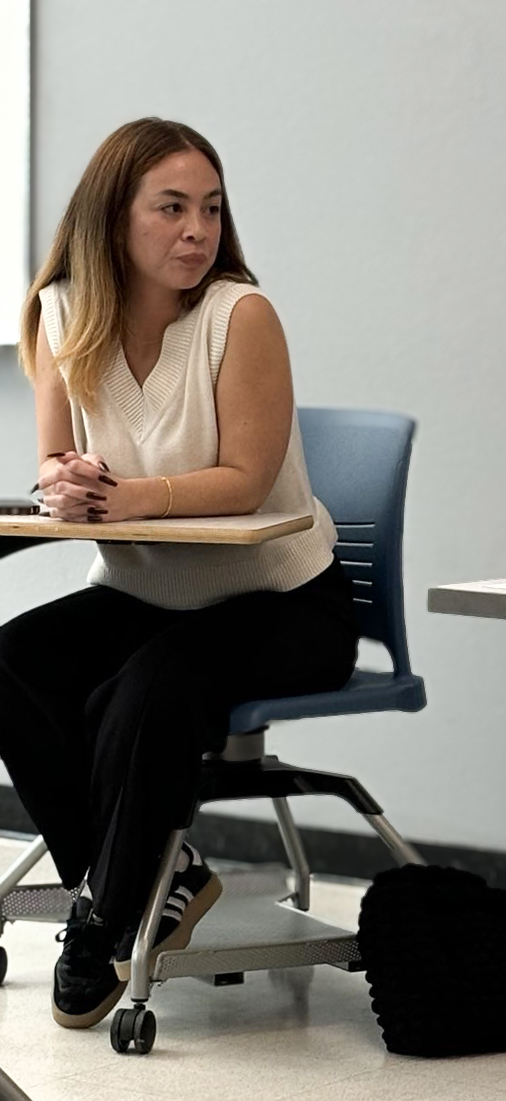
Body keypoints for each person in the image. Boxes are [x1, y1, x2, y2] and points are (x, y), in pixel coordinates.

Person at [0, 118, 359, 1030]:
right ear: (112, 221)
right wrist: (65, 481)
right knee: (10, 664)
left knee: (148, 688)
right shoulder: (60, 312)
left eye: (209, 208)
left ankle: (107, 921)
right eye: (170, 208)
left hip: (283, 604)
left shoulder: (241, 316)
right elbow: (52, 462)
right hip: (142, 591)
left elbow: (243, 481)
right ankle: (160, 880)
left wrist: (128, 498)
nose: (196, 229)